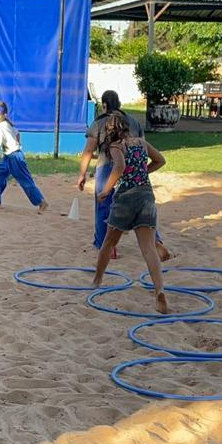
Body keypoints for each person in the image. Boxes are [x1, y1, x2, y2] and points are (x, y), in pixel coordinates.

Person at [90, 114, 169, 314]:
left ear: (109, 131)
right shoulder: (141, 143)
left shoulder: (116, 146)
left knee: (108, 243)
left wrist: (106, 190)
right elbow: (160, 160)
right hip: (146, 196)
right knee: (149, 249)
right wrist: (142, 172)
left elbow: (120, 167)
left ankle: (97, 280)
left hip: (126, 198)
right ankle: (159, 289)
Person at [78, 91, 170, 262]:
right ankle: (156, 241)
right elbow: (143, 147)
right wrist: (142, 171)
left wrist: (82, 174)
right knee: (142, 209)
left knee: (103, 205)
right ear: (119, 103)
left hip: (107, 166)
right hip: (133, 169)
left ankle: (105, 245)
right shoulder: (133, 121)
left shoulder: (99, 122)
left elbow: (89, 150)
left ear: (104, 105)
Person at [0, 101, 48, 213]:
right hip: (8, 157)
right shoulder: (7, 123)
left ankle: (41, 202)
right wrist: (16, 143)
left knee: (25, 181)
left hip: (15, 158)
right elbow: (17, 133)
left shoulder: (1, 126)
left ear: (4, 115)